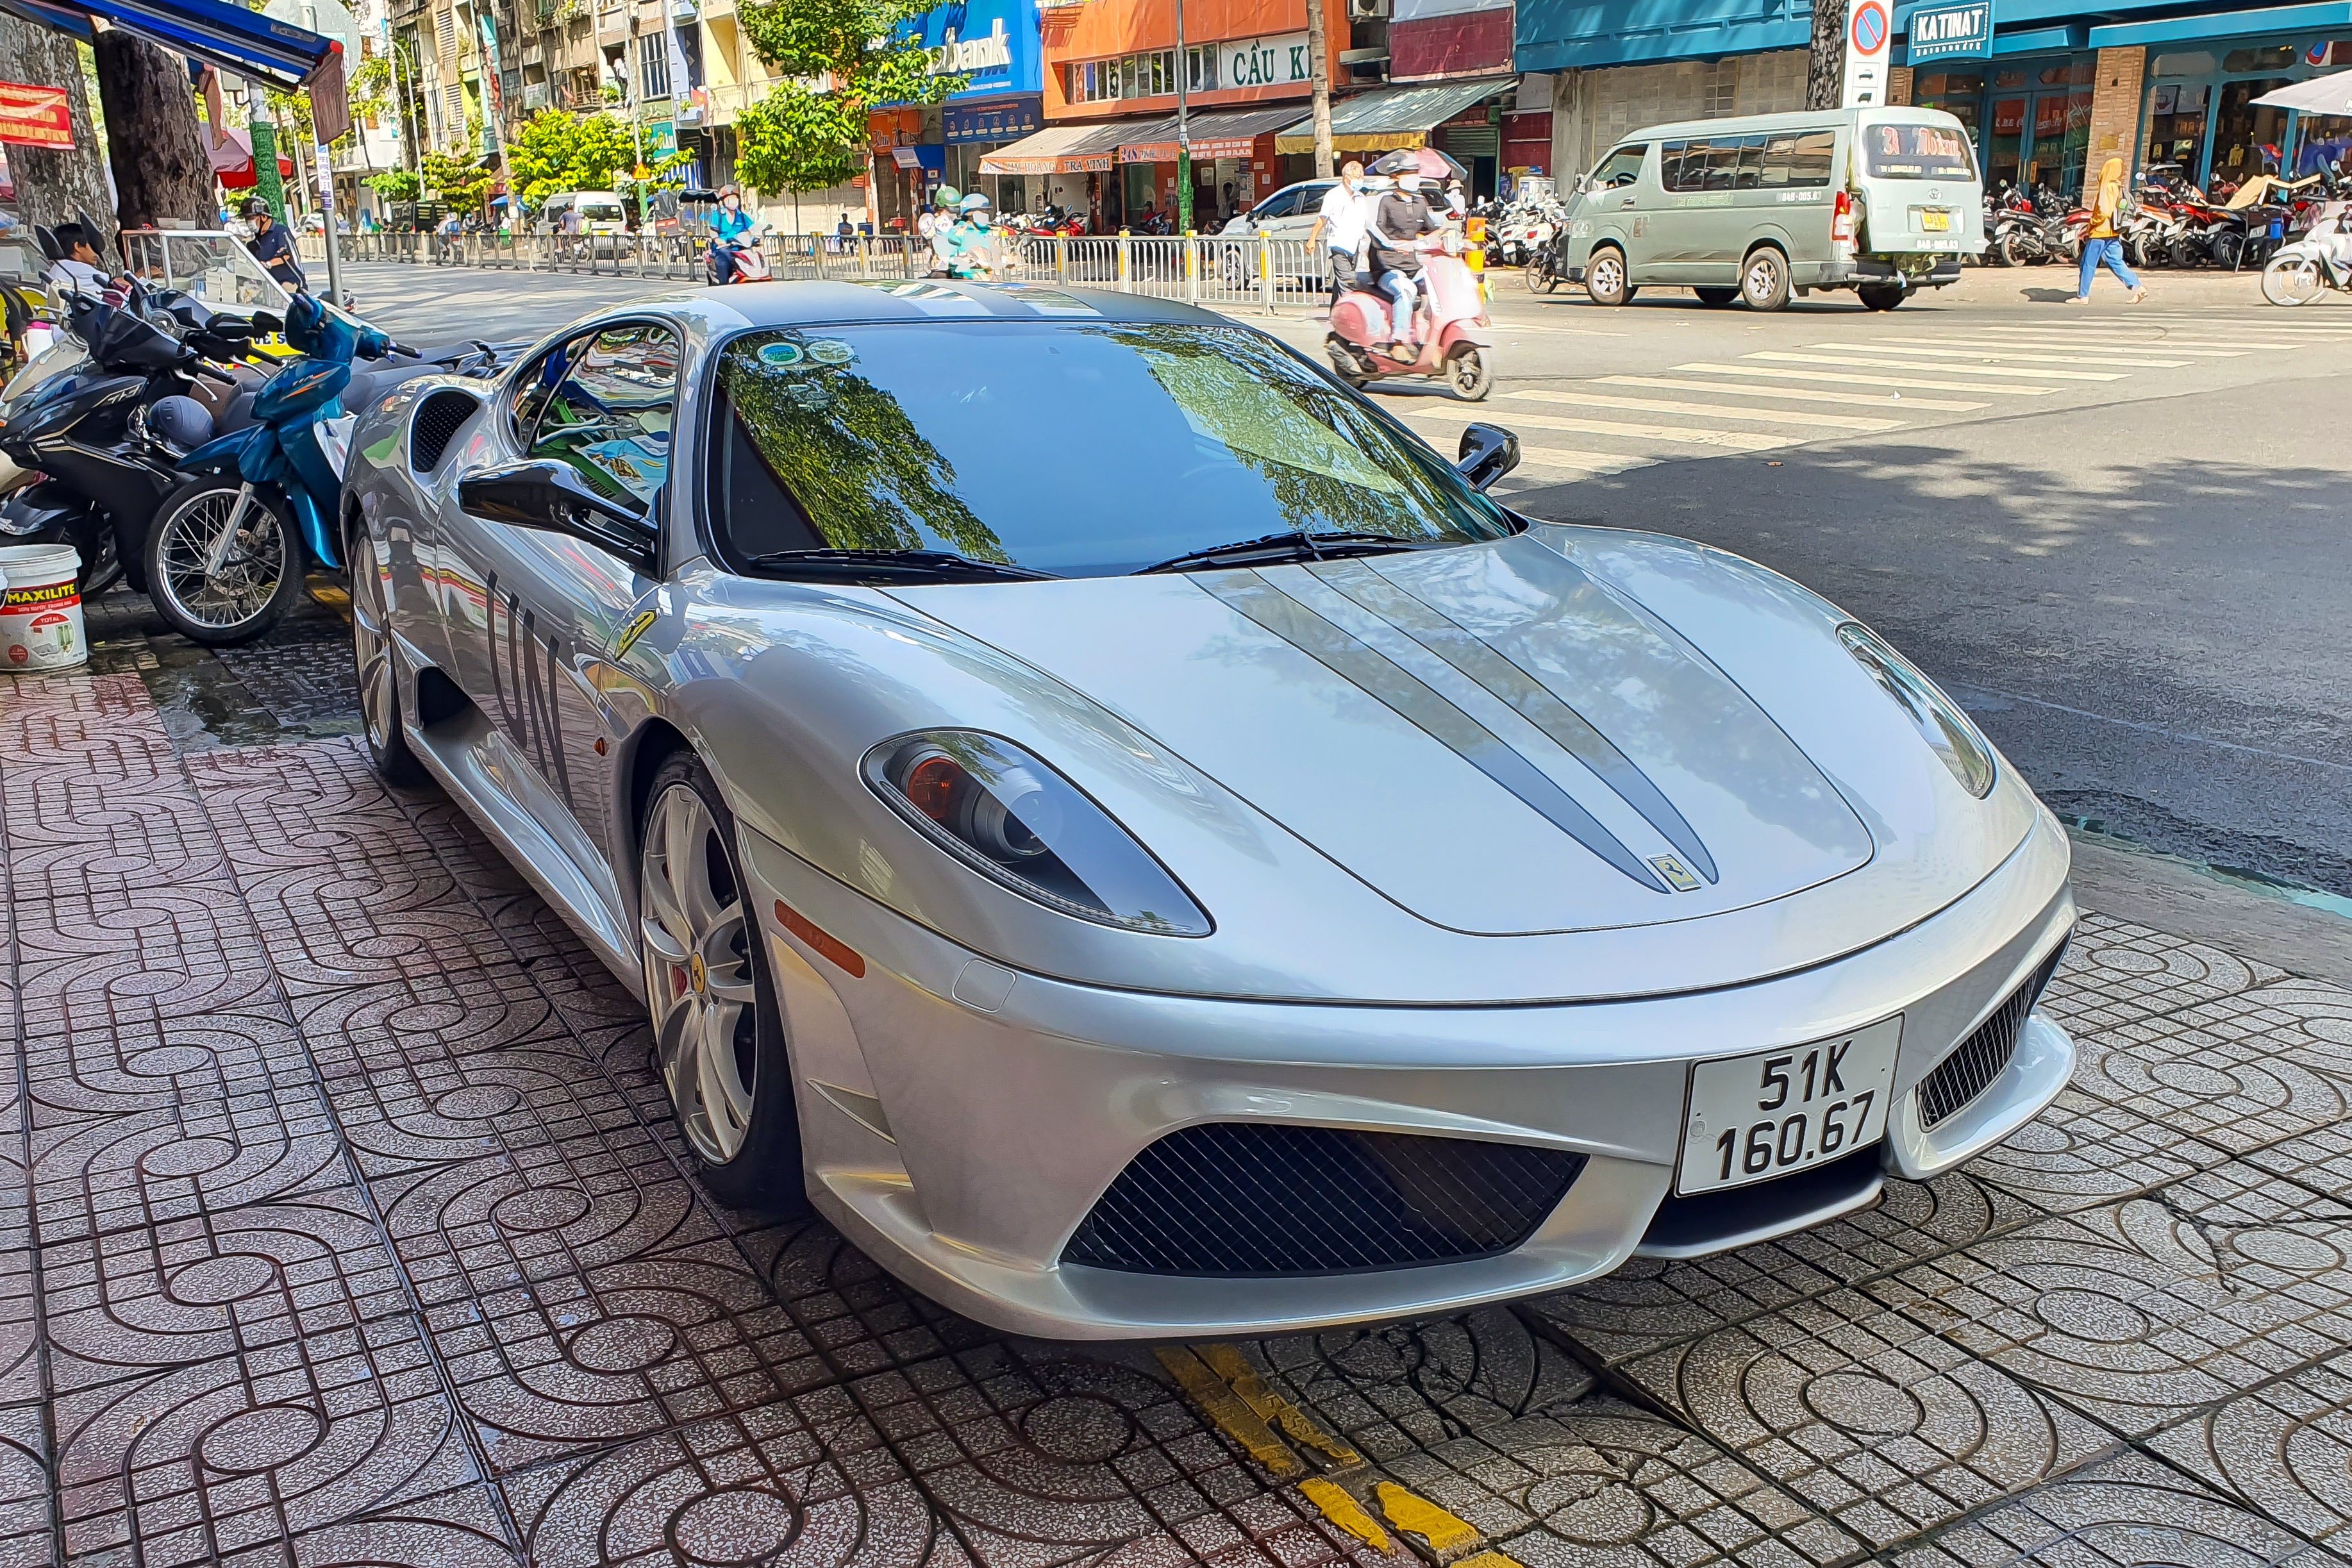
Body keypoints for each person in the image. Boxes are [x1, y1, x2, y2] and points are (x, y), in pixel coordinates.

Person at [1366, 169, 1441, 361]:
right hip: (1387, 265)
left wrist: (1452, 235)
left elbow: (1433, 229)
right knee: (1406, 290)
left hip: (1412, 265)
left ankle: (1432, 338)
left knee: (1438, 287)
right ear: (1396, 178)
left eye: (1416, 175)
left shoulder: (1420, 202)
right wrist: (1391, 246)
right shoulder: (1386, 201)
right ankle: (1398, 342)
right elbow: (1376, 229)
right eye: (1408, 175)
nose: (1413, 179)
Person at [2073, 156, 2147, 304]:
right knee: (2116, 262)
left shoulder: (2107, 187)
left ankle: (2083, 296)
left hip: (2100, 232)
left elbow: (2104, 211)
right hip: (2113, 232)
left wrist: (2093, 222)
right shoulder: (2119, 188)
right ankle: (2138, 288)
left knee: (2088, 263)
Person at [1308, 160, 1369, 312]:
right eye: (1358, 175)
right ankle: (1348, 315)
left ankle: (1335, 313)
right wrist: (1312, 239)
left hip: (1355, 245)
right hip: (1338, 244)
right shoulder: (1334, 195)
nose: (1361, 178)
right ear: (1347, 177)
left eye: (1362, 175)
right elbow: (1322, 218)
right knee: (1347, 282)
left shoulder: (1361, 197)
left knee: (1342, 281)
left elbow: (1366, 222)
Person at [244, 199, 306, 290]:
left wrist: (267, 264)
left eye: (252, 218)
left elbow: (286, 255)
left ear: (264, 217)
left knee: (287, 289)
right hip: (269, 288)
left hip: (291, 283)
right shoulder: (253, 243)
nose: (249, 222)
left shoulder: (281, 232)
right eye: (247, 219)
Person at [42, 221, 113, 299]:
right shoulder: (72, 268)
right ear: (78, 247)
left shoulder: (59, 267)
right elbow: (115, 283)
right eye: (92, 245)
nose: (96, 252)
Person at [710, 186, 755, 282]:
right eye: (729, 199)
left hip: (741, 246)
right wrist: (718, 240)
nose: (733, 201)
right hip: (724, 247)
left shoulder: (742, 216)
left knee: (756, 255)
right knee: (724, 257)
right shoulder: (718, 215)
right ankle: (724, 283)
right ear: (723, 201)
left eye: (734, 198)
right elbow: (713, 231)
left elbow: (750, 228)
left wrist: (750, 234)